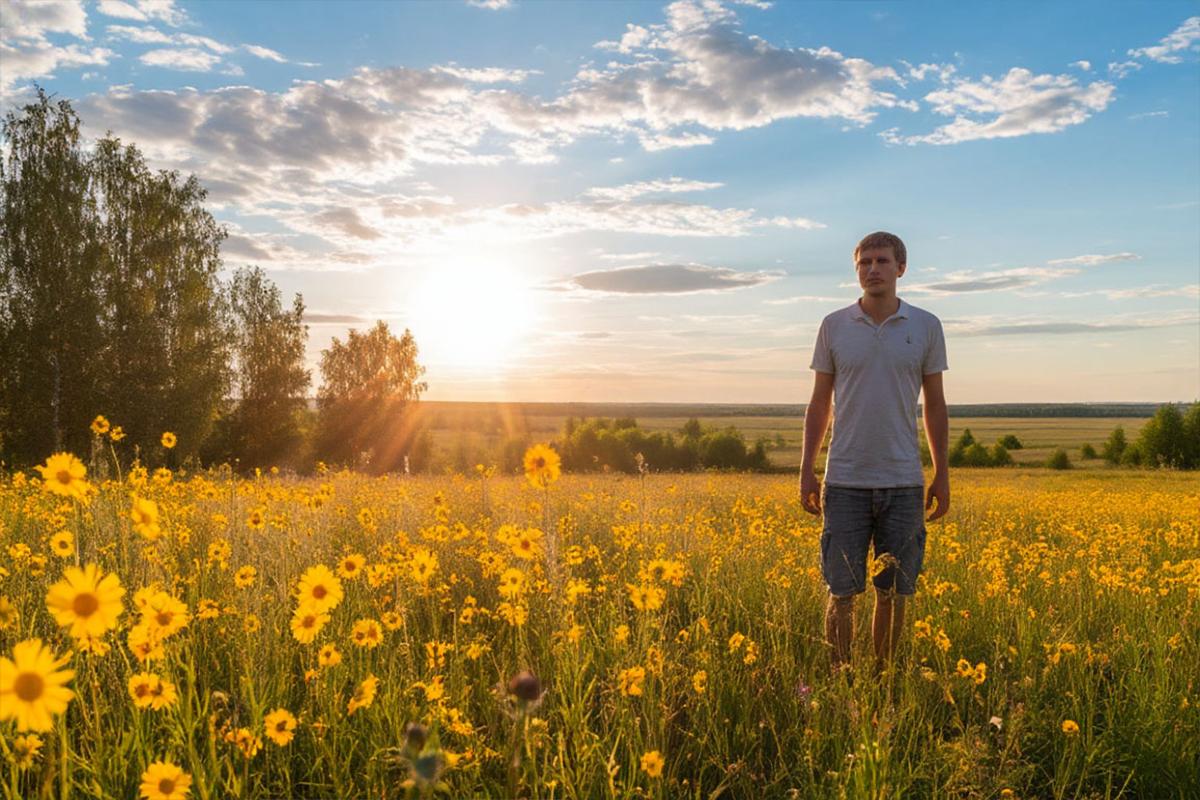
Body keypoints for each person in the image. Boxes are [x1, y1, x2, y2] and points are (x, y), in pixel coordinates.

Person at [799, 231, 949, 674]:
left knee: (895, 591)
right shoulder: (834, 325)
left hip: (904, 481)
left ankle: (881, 678)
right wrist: (807, 470)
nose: (872, 269)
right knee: (841, 590)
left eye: (882, 261)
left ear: (901, 268)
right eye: (864, 262)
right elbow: (819, 402)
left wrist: (941, 473)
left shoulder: (926, 326)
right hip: (844, 480)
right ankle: (841, 677)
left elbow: (935, 404)